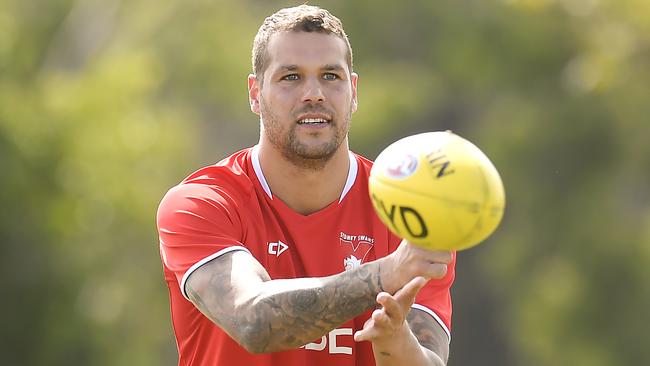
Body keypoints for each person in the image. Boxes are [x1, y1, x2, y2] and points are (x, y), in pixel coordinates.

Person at [157, 5, 456, 366]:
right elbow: (253, 321)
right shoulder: (201, 204)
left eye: (331, 76)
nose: (314, 93)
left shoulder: (407, 212)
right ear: (255, 93)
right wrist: (384, 274)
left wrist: (394, 341)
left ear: (354, 90)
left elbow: (429, 361)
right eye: (291, 77)